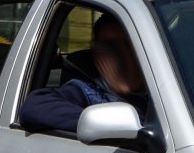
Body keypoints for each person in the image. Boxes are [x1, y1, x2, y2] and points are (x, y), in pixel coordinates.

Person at [20, 14, 151, 133]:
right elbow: (35, 106)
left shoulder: (166, 85)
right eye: (110, 48)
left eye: (129, 45)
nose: (122, 55)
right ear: (98, 56)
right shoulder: (89, 92)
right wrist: (104, 125)